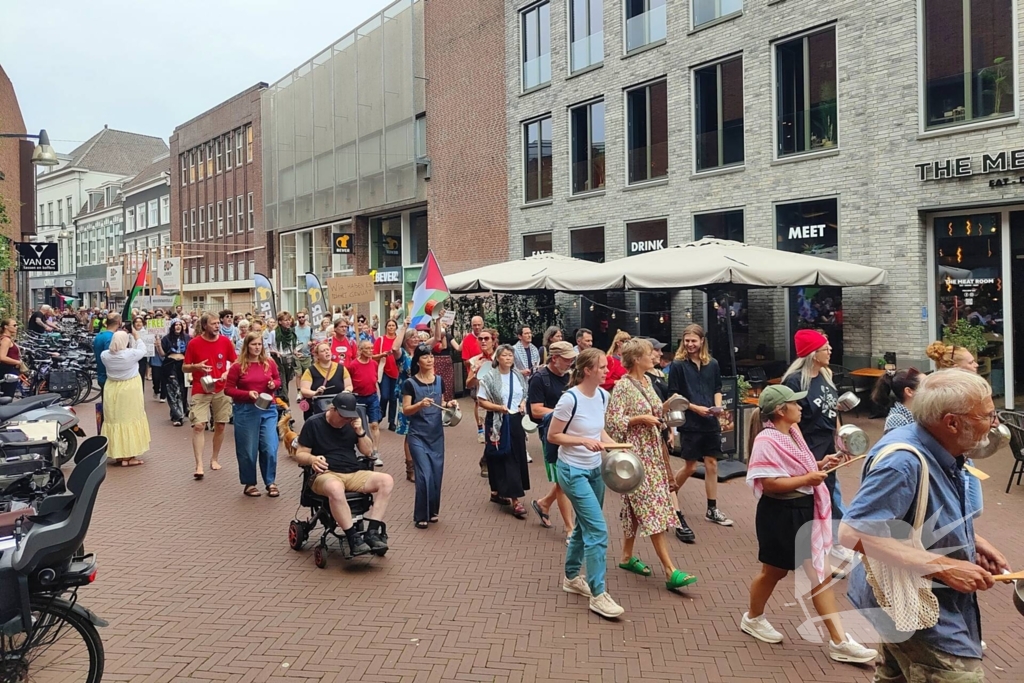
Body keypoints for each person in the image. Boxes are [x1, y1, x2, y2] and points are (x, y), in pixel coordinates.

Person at [839, 370, 1010, 680]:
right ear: (952, 423)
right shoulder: (903, 462)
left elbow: (922, 512)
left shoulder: (939, 447)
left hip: (909, 602)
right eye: (987, 415)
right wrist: (944, 566)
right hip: (917, 606)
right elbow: (853, 532)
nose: (994, 423)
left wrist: (974, 541)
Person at [741, 385, 877, 664]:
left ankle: (838, 640)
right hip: (780, 513)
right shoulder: (767, 439)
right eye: (795, 403)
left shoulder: (791, 434)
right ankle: (753, 618)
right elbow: (768, 483)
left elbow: (795, 468)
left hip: (801, 510)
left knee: (816, 575)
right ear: (781, 410)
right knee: (774, 572)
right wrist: (807, 480)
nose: (801, 407)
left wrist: (822, 463)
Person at [607, 339, 698, 591]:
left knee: (636, 505)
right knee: (652, 506)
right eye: (650, 353)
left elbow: (654, 411)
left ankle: (626, 557)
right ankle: (670, 571)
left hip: (653, 454)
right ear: (637, 359)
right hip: (636, 456)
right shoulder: (623, 386)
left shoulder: (647, 381)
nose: (656, 356)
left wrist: (667, 406)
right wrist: (639, 419)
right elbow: (613, 422)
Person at [547, 348, 623, 618]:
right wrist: (582, 441)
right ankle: (598, 593)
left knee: (585, 525)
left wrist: (615, 447)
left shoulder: (603, 395)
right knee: (598, 530)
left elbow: (597, 430)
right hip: (572, 471)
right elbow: (553, 436)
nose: (606, 371)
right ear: (587, 370)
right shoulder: (570, 399)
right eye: (602, 367)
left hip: (594, 470)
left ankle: (571, 577)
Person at [780, 329, 853, 565]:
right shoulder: (795, 381)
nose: (830, 350)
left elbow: (833, 411)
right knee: (808, 494)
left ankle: (828, 542)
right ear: (812, 354)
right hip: (808, 443)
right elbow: (790, 420)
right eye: (825, 348)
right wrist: (802, 452)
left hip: (827, 443)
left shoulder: (826, 374)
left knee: (828, 492)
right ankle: (806, 544)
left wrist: (842, 438)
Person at [293, 392, 394, 556]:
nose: (346, 420)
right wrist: (312, 459)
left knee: (386, 481)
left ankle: (372, 532)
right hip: (326, 474)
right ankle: (353, 538)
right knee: (335, 487)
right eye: (343, 416)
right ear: (332, 409)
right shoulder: (313, 423)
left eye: (349, 416)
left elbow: (369, 452)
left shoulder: (352, 424)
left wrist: (360, 432)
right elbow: (300, 454)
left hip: (352, 472)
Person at [669, 324, 733, 539]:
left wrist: (718, 408)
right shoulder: (678, 365)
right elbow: (674, 394)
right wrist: (695, 408)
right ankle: (669, 495)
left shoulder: (712, 364)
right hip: (691, 421)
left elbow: (717, 388)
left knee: (712, 463)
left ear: (702, 341)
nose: (690, 344)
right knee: (688, 466)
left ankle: (712, 508)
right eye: (686, 340)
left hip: (710, 421)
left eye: (693, 341)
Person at [402, 344, 458, 528]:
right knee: (424, 474)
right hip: (417, 435)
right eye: (425, 357)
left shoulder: (439, 380)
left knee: (436, 474)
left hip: (436, 435)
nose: (430, 359)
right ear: (417, 361)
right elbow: (406, 410)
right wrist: (419, 405)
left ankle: (433, 511)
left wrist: (450, 404)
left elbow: (441, 403)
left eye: (431, 356)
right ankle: (420, 516)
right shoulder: (410, 384)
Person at [529, 341, 577, 542]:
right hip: (551, 434)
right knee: (563, 480)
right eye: (566, 359)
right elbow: (535, 410)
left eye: (572, 359)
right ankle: (570, 530)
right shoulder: (539, 379)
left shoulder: (571, 376)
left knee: (564, 479)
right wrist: (562, 414)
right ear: (554, 358)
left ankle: (544, 503)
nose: (570, 362)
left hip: (571, 433)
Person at [225, 331, 281, 498]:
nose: (257, 347)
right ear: (247, 346)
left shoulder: (269, 363)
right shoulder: (238, 366)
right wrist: (246, 394)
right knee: (248, 449)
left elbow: (278, 380)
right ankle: (249, 482)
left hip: (268, 408)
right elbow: (228, 389)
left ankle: (270, 481)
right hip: (246, 410)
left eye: (259, 344)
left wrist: (273, 384)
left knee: (270, 446)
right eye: (253, 344)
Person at [477, 344, 531, 518]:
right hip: (497, 420)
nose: (509, 358)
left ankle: (511, 495)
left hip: (515, 419)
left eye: (511, 355)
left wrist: (523, 403)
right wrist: (498, 408)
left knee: (515, 456)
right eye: (505, 355)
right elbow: (481, 401)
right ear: (498, 358)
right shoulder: (489, 377)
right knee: (500, 454)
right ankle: (507, 496)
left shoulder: (517, 376)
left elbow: (524, 393)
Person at [183, 312, 237, 480]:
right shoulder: (194, 343)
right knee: (199, 425)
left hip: (221, 388)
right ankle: (198, 464)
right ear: (205, 325)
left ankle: (214, 458)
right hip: (201, 387)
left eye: (217, 323)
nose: (216, 326)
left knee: (220, 425)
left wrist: (228, 372)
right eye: (213, 323)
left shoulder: (225, 341)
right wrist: (196, 367)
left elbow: (235, 361)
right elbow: (184, 367)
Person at [100, 330, 151, 467]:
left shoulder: (105, 355)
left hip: (111, 388)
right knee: (131, 418)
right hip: (130, 389)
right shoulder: (130, 354)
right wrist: (136, 336)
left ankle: (119, 455)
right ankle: (130, 456)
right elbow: (143, 349)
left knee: (114, 419)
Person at [346, 339, 384, 467]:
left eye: (372, 348)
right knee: (357, 426)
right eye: (367, 348)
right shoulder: (353, 365)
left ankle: (375, 452)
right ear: (360, 350)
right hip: (357, 398)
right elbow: (348, 381)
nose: (371, 351)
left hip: (372, 397)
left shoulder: (374, 363)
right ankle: (359, 451)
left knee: (374, 424)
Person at [466, 328, 497, 476]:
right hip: (484, 403)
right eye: (480, 339)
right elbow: (468, 384)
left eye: (486, 338)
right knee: (488, 435)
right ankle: (487, 462)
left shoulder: (501, 357)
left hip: (501, 401)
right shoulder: (475, 361)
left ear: (493, 341)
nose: (483, 341)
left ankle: (489, 460)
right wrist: (476, 374)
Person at [299, 341, 352, 420]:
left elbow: (349, 386)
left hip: (337, 410)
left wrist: (346, 391)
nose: (326, 352)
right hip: (317, 411)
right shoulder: (310, 371)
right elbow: (304, 390)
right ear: (317, 355)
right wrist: (315, 393)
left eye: (328, 350)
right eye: (323, 351)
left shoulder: (341, 368)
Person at [459, 315, 485, 443]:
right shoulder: (467, 340)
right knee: (477, 402)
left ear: (483, 324)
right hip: (475, 375)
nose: (477, 327)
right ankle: (480, 429)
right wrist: (476, 361)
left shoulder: (487, 337)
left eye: (479, 324)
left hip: (488, 375)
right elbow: (465, 361)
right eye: (474, 325)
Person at [873, 368, 923, 434]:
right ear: (909, 392)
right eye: (926, 386)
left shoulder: (919, 413)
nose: (932, 390)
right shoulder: (896, 421)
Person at [160, 319, 190, 426]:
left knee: (182, 389)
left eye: (180, 325)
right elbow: (162, 354)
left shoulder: (187, 338)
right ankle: (178, 416)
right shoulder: (166, 338)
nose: (178, 326)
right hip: (170, 364)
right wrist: (158, 345)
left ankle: (179, 411)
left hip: (183, 364)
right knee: (173, 390)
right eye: (175, 325)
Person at [374, 319, 401, 432]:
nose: (391, 327)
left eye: (393, 325)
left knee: (393, 398)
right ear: (386, 327)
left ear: (396, 327)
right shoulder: (380, 340)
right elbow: (373, 356)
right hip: (384, 371)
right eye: (389, 325)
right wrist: (383, 354)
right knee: (384, 396)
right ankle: (380, 415)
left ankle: (391, 422)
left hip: (397, 372)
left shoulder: (399, 340)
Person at [94, 313, 121, 390]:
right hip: (109, 376)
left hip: (101, 373)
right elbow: (111, 357)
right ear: (119, 322)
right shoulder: (112, 337)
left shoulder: (99, 335)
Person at [274, 311, 298, 397]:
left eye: (289, 320)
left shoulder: (291, 332)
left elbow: (293, 345)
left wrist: (295, 351)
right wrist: (275, 352)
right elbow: (268, 347)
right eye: (285, 320)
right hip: (278, 359)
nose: (288, 322)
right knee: (282, 379)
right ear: (280, 322)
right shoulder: (274, 333)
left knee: (288, 379)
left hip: (289, 358)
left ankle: (284, 397)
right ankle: (284, 399)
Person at [0, 318, 23, 399]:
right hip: (8, 370)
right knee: (7, 396)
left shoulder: (8, 339)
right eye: (14, 325)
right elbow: (2, 357)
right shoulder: (5, 340)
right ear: (6, 327)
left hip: (10, 369)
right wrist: (17, 362)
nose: (16, 327)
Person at [293, 309, 313, 388]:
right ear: (297, 319)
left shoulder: (310, 329)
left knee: (307, 374)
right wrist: (294, 350)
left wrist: (311, 342)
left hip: (307, 354)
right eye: (299, 317)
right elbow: (292, 341)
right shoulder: (294, 329)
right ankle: (298, 391)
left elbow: (314, 340)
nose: (301, 318)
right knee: (298, 374)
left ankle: (306, 389)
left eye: (302, 317)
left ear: (305, 317)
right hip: (297, 355)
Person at [132, 317, 151, 392]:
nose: (138, 323)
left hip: (142, 357)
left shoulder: (147, 333)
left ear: (143, 323)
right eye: (136, 322)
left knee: (140, 375)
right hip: (132, 357)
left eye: (140, 322)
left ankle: (140, 393)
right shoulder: (129, 333)